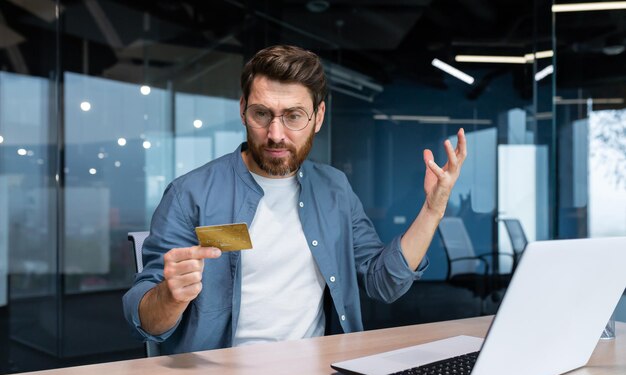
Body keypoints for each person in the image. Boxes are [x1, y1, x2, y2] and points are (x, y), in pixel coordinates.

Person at [123, 45, 467, 355]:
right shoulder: (190, 194)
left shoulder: (335, 189)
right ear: (243, 110)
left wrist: (433, 209)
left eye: (293, 116)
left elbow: (384, 281)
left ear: (318, 117)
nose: (275, 133)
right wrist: (170, 297)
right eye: (262, 114)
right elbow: (146, 321)